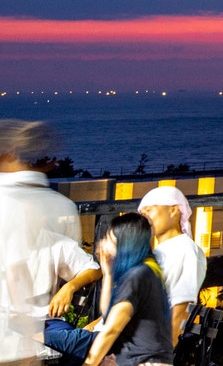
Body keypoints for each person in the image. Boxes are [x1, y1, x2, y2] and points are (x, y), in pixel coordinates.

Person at [1, 120, 85, 348]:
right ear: (51, 163)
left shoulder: (7, 200)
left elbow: (16, 275)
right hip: (35, 324)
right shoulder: (63, 206)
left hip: (21, 325)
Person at [83, 213, 173, 366]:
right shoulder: (148, 269)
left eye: (110, 240)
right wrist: (108, 273)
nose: (102, 243)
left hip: (144, 362)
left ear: (125, 244)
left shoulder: (137, 276)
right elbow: (108, 316)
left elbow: (111, 330)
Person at [135, 188, 205, 338]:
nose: (144, 218)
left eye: (149, 210)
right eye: (142, 213)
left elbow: (180, 311)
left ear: (174, 210)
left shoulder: (185, 251)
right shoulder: (160, 252)